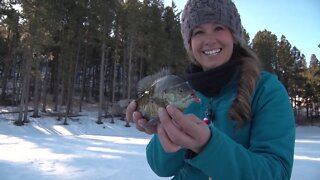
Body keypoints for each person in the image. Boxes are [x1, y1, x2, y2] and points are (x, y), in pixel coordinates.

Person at [126, 0, 295, 179]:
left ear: (234, 36)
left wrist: (207, 146)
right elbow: (160, 167)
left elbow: (277, 173)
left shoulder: (267, 90)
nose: (209, 40)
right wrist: (165, 132)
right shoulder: (181, 92)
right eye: (199, 31)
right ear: (190, 43)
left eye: (219, 28)